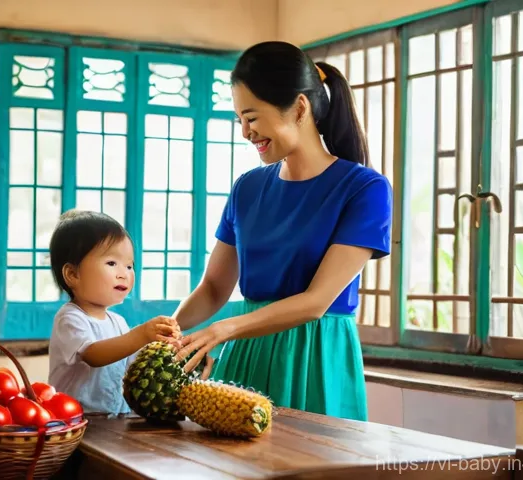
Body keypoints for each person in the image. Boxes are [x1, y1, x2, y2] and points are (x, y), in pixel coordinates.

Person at [172, 41, 393, 421]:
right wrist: (170, 334)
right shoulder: (247, 187)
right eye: (239, 119)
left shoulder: (365, 189)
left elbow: (316, 302)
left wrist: (223, 329)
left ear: (300, 108)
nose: (245, 132)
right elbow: (213, 288)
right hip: (244, 353)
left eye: (252, 117)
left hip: (315, 359)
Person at [47, 209, 181, 416]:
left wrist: (161, 345)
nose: (124, 274)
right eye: (112, 263)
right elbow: (93, 355)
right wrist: (141, 334)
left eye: (129, 266)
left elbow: (132, 363)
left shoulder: (117, 322)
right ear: (72, 274)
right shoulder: (70, 318)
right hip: (75, 423)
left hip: (115, 418)